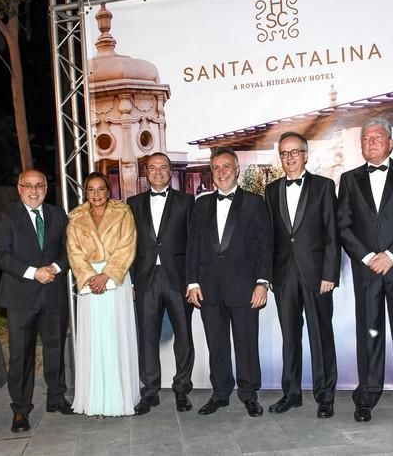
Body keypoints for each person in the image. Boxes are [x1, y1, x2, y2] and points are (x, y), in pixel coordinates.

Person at [337, 117, 393, 424]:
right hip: (366, 273)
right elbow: (344, 226)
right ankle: (367, 395)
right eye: (365, 138)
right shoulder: (349, 180)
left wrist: (390, 255)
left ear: (390, 143)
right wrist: (367, 258)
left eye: (377, 137)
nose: (371, 142)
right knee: (370, 335)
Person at [186, 148, 272, 417]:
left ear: (237, 170)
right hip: (209, 289)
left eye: (226, 167)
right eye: (216, 168)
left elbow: (265, 246)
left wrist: (262, 283)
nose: (221, 172)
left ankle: (249, 394)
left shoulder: (255, 202)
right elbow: (193, 247)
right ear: (211, 173)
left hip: (245, 288)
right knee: (216, 344)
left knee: (247, 343)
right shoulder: (200, 204)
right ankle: (220, 393)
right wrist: (192, 283)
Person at [265, 132, 340, 419]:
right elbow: (270, 237)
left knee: (321, 336)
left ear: (306, 155)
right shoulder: (271, 191)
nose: (289, 157)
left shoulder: (323, 186)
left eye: (295, 152)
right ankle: (291, 393)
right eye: (284, 153)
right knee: (290, 337)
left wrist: (330, 273)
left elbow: (332, 233)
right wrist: (269, 275)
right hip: (284, 276)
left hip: (317, 275)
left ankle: (325, 396)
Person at [0, 169, 73, 433]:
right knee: (21, 356)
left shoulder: (58, 215)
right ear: (19, 188)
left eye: (39, 185)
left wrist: (55, 268)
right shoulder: (8, 217)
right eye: (28, 185)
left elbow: (67, 250)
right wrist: (33, 273)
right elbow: (0, 256)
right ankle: (20, 410)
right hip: (20, 297)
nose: (34, 190)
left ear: (46, 189)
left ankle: (56, 398)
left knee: (55, 348)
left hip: (53, 294)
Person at [66, 171, 140, 416]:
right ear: (85, 192)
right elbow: (73, 251)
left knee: (116, 336)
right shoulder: (75, 218)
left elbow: (127, 245)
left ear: (109, 191)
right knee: (94, 339)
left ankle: (121, 399)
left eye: (101, 189)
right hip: (89, 283)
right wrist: (89, 278)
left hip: (115, 280)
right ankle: (95, 400)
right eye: (91, 190)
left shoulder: (123, 213)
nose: (96, 194)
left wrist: (107, 275)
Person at [127, 152, 195, 415]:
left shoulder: (187, 202)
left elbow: (194, 245)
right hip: (145, 279)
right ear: (146, 172)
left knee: (184, 337)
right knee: (147, 336)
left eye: (163, 167)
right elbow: (128, 245)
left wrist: (192, 281)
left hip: (177, 278)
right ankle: (150, 390)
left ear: (170, 172)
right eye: (153, 168)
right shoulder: (132, 203)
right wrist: (131, 280)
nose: (158, 172)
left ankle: (181, 389)